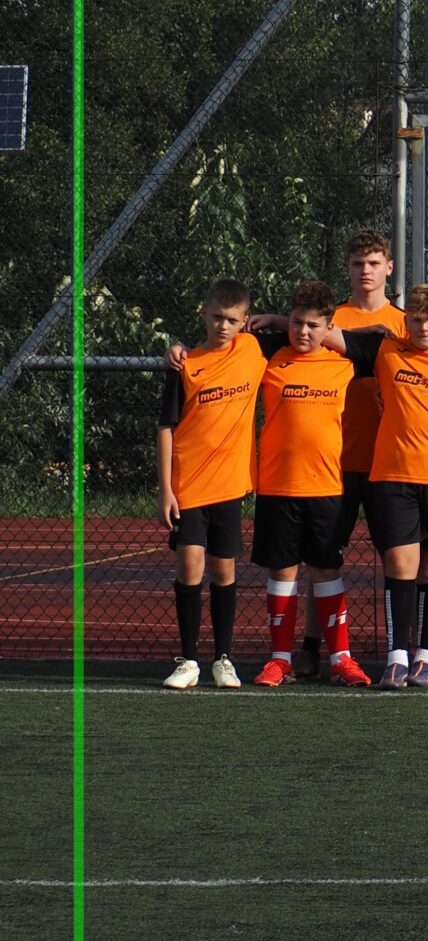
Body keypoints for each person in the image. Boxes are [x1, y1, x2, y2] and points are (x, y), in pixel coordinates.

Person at [341, 286, 428, 688]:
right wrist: (372, 329)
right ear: (405, 321)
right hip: (391, 476)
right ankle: (397, 658)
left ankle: (426, 659)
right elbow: (323, 331)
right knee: (399, 565)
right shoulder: (385, 350)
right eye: (416, 320)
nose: (424, 328)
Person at [245, 282, 365, 688]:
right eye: (296, 322)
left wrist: (279, 320)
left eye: (314, 326)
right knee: (283, 573)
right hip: (278, 486)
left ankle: (341, 659)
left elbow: (383, 340)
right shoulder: (268, 356)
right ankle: (280, 660)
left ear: (329, 328)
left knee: (326, 571)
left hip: (326, 486)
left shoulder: (345, 363)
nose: (303, 332)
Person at [156, 280, 265, 690]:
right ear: (204, 314)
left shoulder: (253, 350)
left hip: (230, 486)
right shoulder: (185, 365)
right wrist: (165, 489)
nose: (223, 326)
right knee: (190, 567)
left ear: (245, 321)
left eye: (233, 320)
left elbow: (305, 327)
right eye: (217, 317)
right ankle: (188, 660)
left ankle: (223, 659)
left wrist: (269, 320)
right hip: (188, 485)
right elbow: (166, 428)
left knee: (223, 570)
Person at [322, 230, 404, 676]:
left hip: (389, 464)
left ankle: (400, 651)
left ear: (389, 267)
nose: (366, 271)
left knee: (397, 557)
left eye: (374, 263)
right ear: (348, 268)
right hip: (335, 460)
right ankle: (317, 647)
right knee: (323, 557)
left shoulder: (406, 323)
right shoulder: (328, 319)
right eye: (358, 263)